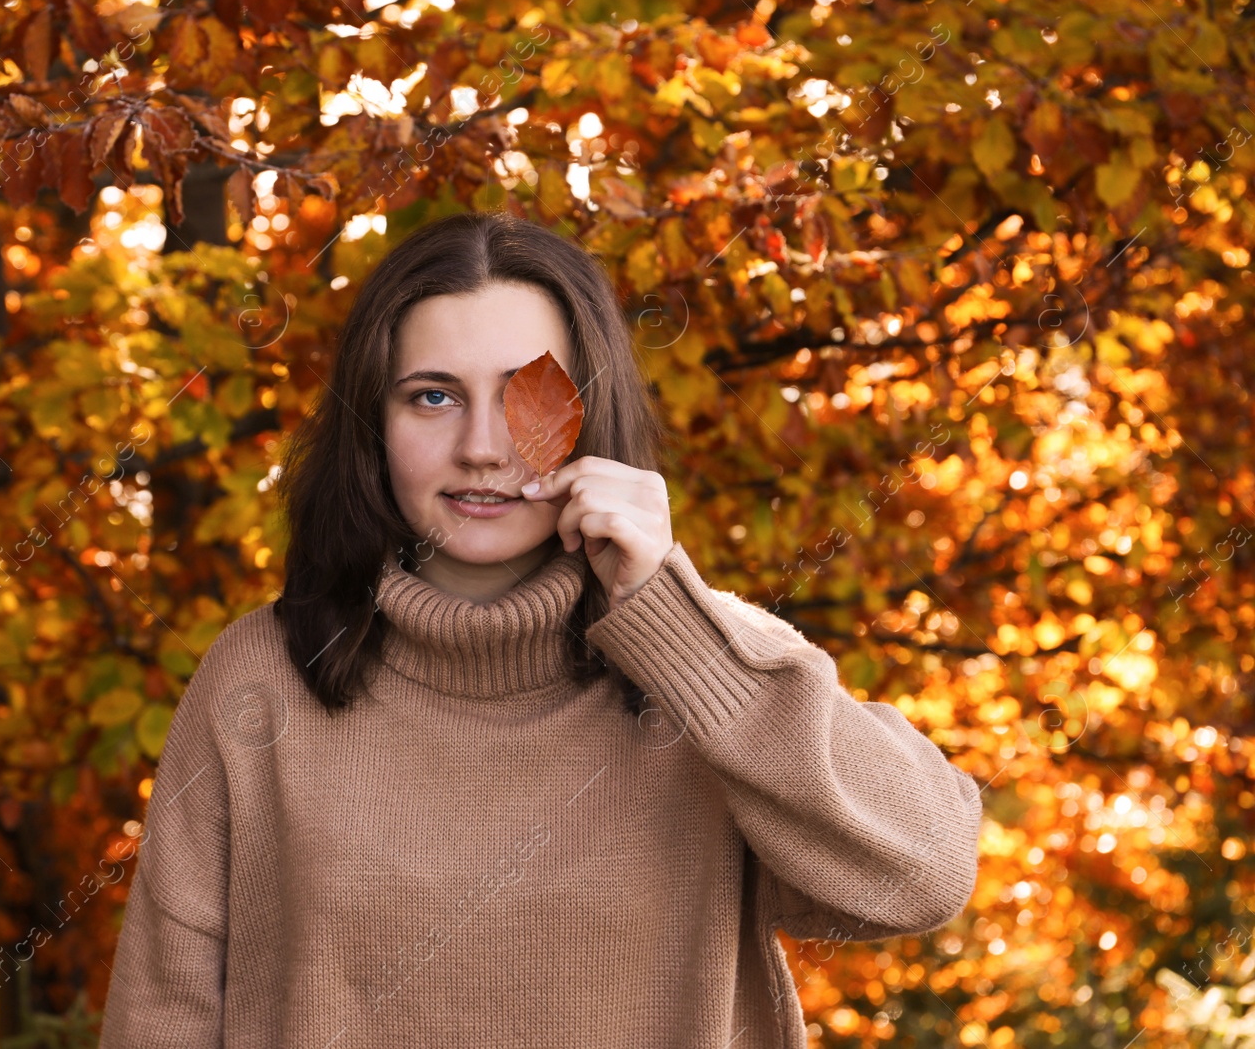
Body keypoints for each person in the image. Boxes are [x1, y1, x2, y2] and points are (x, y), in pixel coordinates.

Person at [97, 211, 982, 1048]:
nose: (483, 446)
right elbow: (162, 1015)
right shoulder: (262, 676)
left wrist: (675, 623)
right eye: (433, 396)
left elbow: (923, 876)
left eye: (530, 395)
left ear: (592, 416)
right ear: (375, 423)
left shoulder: (711, 662)